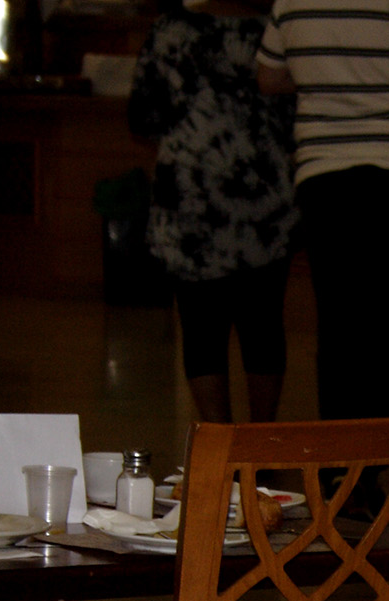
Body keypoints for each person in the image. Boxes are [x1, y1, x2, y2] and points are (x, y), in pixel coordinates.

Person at [253, 0, 389, 419]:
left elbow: (269, 78)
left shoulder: (293, 2)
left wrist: (330, 81)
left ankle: (342, 446)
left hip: (323, 180)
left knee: (341, 322)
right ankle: (380, 433)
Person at [128, 0, 297, 423]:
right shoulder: (277, 28)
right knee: (264, 322)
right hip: (266, 195)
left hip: (192, 194)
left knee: (201, 326)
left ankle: (217, 439)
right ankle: (262, 436)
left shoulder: (172, 30)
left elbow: (143, 116)